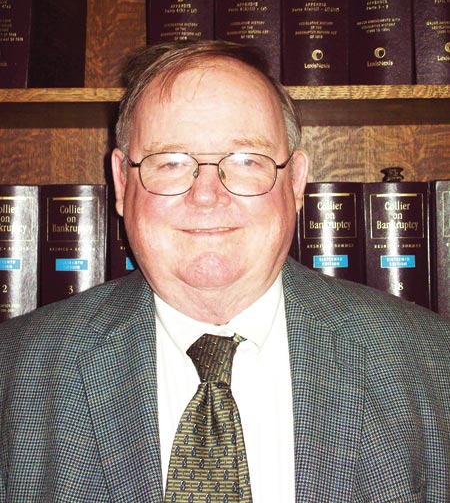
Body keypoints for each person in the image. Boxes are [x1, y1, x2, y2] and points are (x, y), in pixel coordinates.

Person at [0, 40, 449, 503]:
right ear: (121, 181)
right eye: (171, 162)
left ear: (296, 182)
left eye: (246, 160)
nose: (207, 196)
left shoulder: (434, 362)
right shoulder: (13, 371)